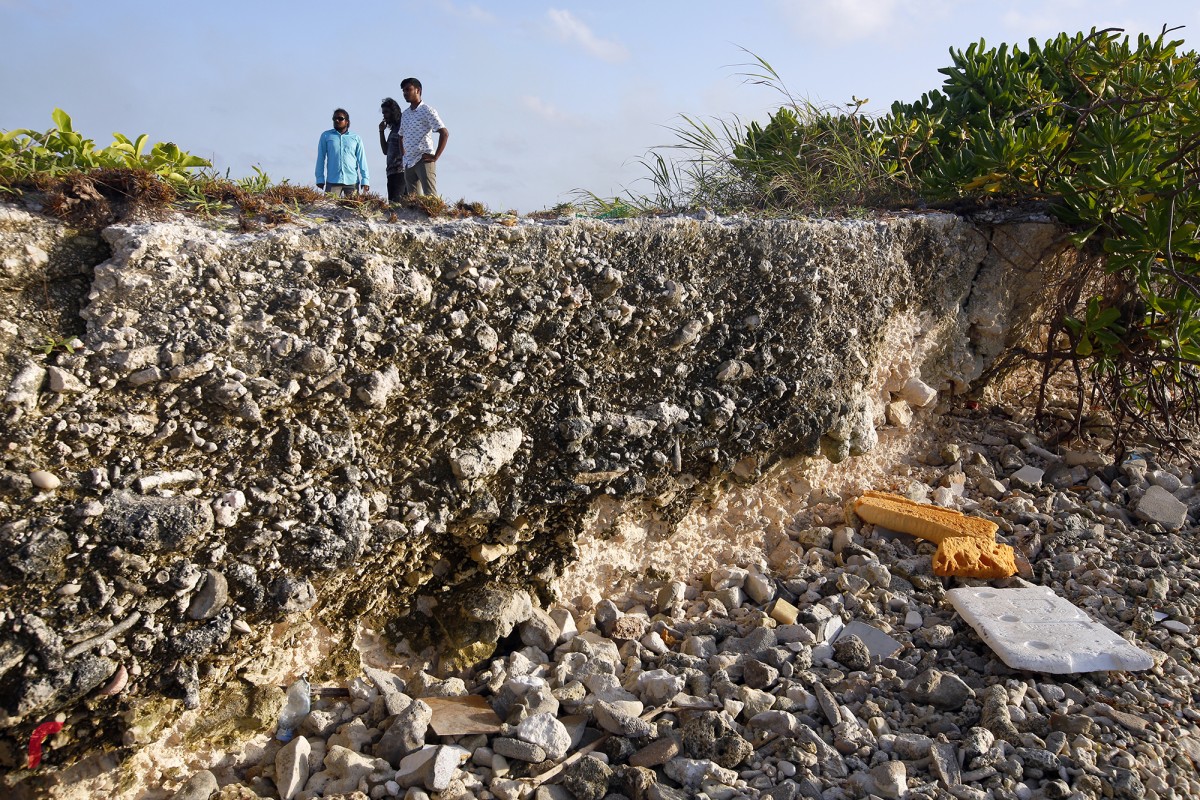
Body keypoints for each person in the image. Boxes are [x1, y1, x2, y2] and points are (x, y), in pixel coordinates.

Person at [399, 78, 449, 196]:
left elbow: (444, 133)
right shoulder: (405, 114)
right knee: (413, 202)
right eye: (403, 91)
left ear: (418, 90)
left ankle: (434, 215)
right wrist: (404, 156)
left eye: (408, 90)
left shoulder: (427, 110)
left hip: (423, 159)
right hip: (409, 162)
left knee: (430, 196)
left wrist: (435, 156)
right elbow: (400, 136)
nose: (405, 93)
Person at [315, 108, 369, 195]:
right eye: (334, 119)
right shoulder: (326, 136)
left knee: (352, 208)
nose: (337, 120)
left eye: (340, 118)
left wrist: (365, 180)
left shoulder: (356, 138)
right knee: (329, 207)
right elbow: (321, 158)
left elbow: (362, 159)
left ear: (347, 121)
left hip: (352, 181)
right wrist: (319, 178)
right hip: (333, 180)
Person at [378, 98, 404, 203]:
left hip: (401, 171)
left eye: (386, 112)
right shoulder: (393, 129)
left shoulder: (402, 125)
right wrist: (381, 132)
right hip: (392, 172)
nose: (384, 116)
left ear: (393, 111)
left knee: (397, 206)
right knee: (394, 204)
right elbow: (385, 151)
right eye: (383, 113)